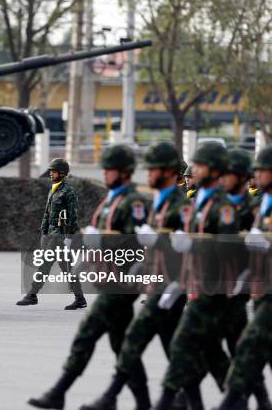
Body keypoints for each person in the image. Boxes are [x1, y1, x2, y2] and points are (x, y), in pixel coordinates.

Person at [28, 145, 150, 410]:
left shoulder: (134, 202)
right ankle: (143, 401)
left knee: (87, 333)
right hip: (110, 279)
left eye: (110, 169)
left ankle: (59, 391)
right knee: (123, 346)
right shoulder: (114, 198)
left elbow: (140, 242)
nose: (105, 174)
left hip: (122, 282)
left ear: (124, 172)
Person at [80, 142, 188, 410]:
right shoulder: (144, 200)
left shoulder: (173, 203)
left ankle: (113, 396)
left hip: (160, 285)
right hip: (151, 283)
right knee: (165, 345)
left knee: (131, 341)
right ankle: (175, 399)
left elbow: (193, 247)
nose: (149, 174)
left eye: (154, 169)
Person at [153, 142, 239, 410]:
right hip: (194, 285)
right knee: (211, 352)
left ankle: (170, 400)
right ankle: (229, 400)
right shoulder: (197, 201)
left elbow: (227, 248)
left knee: (187, 344)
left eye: (199, 167)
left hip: (215, 289)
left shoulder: (222, 204)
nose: (193, 172)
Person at [216, 145, 272, 410]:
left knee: (249, 346)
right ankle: (261, 401)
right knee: (256, 349)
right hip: (260, 288)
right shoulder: (264, 203)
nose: (257, 175)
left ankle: (231, 402)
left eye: (262, 170)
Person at [16, 158, 84, 310]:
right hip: (52, 234)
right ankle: (80, 298)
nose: (51, 174)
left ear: (62, 173)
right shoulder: (53, 190)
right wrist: (44, 233)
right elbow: (47, 214)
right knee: (67, 267)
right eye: (51, 171)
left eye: (54, 172)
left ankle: (32, 294)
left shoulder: (68, 192)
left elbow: (72, 216)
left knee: (45, 264)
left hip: (61, 234)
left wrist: (69, 237)